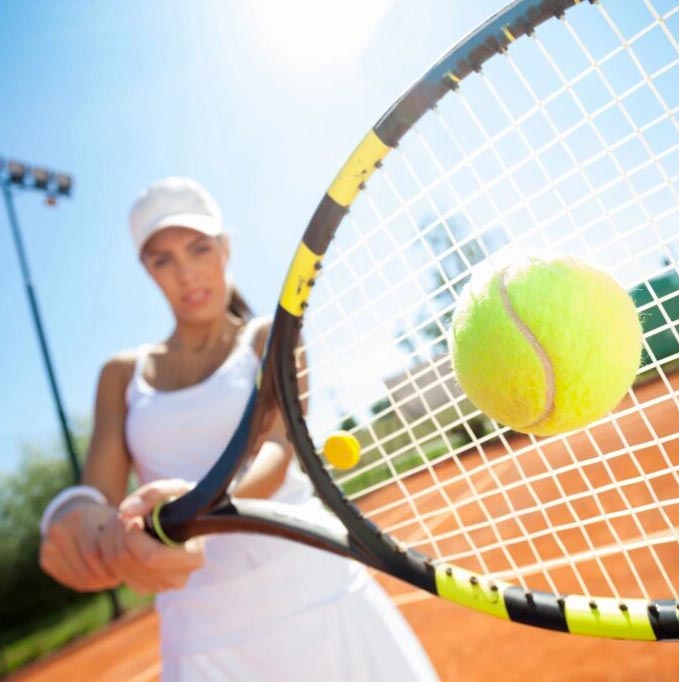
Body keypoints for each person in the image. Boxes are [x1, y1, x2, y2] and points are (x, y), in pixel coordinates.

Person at [39, 177, 439, 681]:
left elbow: (275, 452)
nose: (186, 273)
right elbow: (95, 496)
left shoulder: (270, 337)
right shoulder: (120, 374)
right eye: (162, 259)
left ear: (224, 248)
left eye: (198, 248)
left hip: (314, 588)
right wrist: (73, 518)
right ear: (147, 270)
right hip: (200, 632)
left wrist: (200, 502)